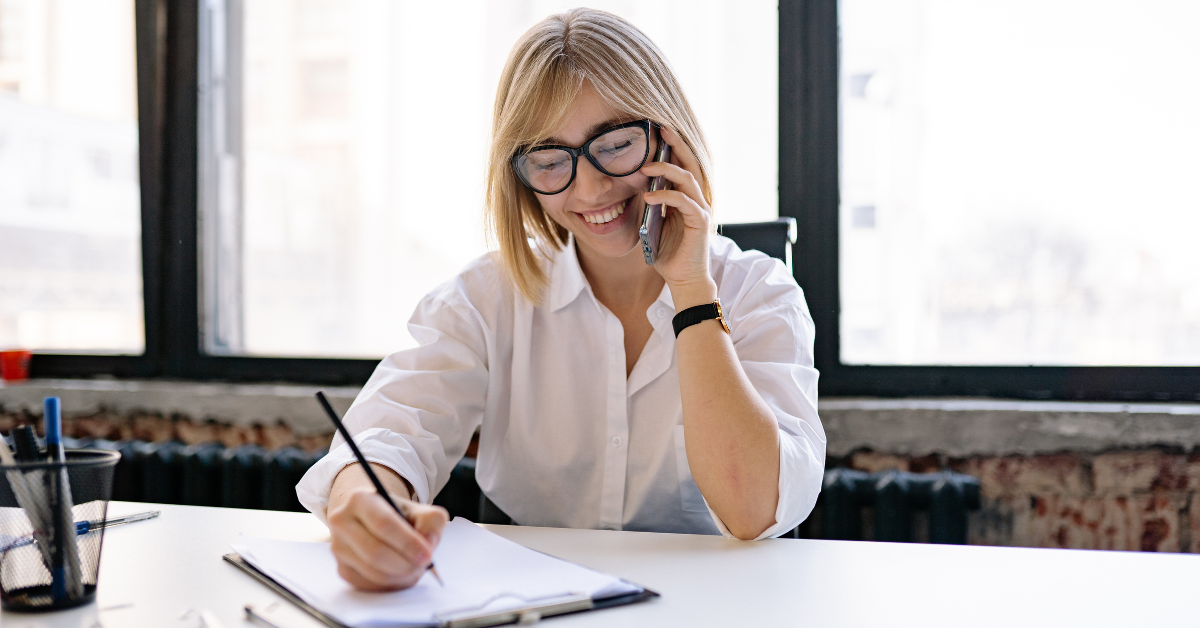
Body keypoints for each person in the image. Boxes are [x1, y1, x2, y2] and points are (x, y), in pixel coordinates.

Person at [296, 8, 825, 592]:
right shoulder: (485, 298)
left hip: (707, 606)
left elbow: (754, 509)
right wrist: (368, 505)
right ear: (521, 174)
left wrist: (692, 291)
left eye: (617, 144)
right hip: (531, 602)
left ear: (668, 137)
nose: (592, 188)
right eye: (551, 161)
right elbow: (392, 431)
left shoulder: (758, 292)